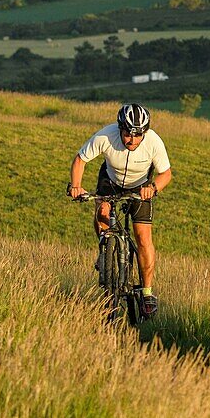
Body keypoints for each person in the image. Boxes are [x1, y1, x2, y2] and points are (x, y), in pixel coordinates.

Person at [67, 103, 171, 317]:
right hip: (111, 180)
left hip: (141, 187)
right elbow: (80, 160)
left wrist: (152, 188)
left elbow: (166, 174)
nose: (131, 140)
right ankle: (104, 249)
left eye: (137, 135)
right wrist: (76, 186)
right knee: (102, 213)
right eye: (127, 134)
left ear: (145, 132)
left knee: (143, 238)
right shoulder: (105, 136)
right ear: (119, 129)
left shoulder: (154, 142)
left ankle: (148, 292)